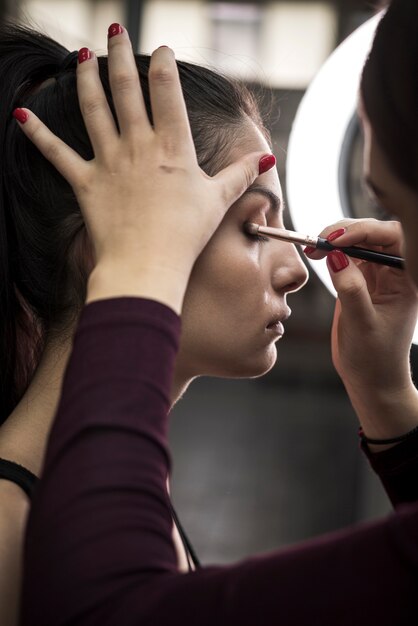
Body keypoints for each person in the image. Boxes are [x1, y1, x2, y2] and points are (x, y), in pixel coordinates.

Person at [1, 0, 417, 623]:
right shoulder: (12, 520)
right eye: (255, 226)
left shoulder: (120, 511)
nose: (299, 268)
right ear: (110, 235)